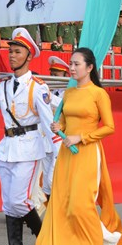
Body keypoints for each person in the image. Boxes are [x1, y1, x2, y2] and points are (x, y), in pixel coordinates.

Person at [29, 48, 122, 245]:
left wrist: (81, 137)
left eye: (76, 64)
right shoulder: (70, 93)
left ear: (90, 68)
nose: (72, 68)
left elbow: (109, 126)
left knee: (80, 207)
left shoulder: (98, 94)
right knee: (63, 207)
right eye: (71, 64)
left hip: (87, 153)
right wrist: (59, 127)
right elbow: (63, 120)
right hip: (66, 154)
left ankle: (107, 244)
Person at [0, 27, 54, 245]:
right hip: (8, 148)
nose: (12, 55)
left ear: (29, 55)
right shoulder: (3, 85)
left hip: (29, 147)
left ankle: (47, 243)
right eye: (10, 51)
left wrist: (51, 153)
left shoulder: (37, 86)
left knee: (19, 200)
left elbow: (47, 121)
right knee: (7, 202)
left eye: (17, 51)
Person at [41, 55, 68, 201]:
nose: (53, 77)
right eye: (51, 74)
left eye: (56, 74)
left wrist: (50, 97)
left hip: (61, 139)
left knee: (53, 179)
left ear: (65, 75)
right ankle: (53, 212)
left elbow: (65, 106)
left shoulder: (69, 91)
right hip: (46, 139)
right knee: (46, 181)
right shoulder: (49, 90)